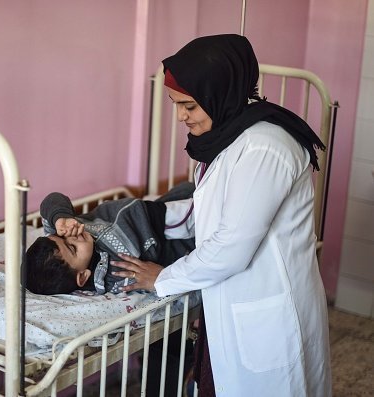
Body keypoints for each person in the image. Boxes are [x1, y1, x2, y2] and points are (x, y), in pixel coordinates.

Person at [112, 34, 332, 397]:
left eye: (189, 106)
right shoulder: (225, 140)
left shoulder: (265, 148)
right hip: (230, 302)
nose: (181, 116)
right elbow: (206, 212)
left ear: (220, 93)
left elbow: (232, 246)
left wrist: (163, 278)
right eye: (176, 105)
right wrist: (144, 215)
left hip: (267, 311)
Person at [25, 184, 195, 295]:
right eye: (73, 248)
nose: (73, 236)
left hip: (149, 214)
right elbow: (145, 279)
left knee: (195, 203)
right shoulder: (113, 278)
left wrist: (60, 218)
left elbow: (52, 200)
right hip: (155, 236)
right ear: (83, 276)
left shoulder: (62, 228)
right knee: (205, 221)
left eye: (63, 237)